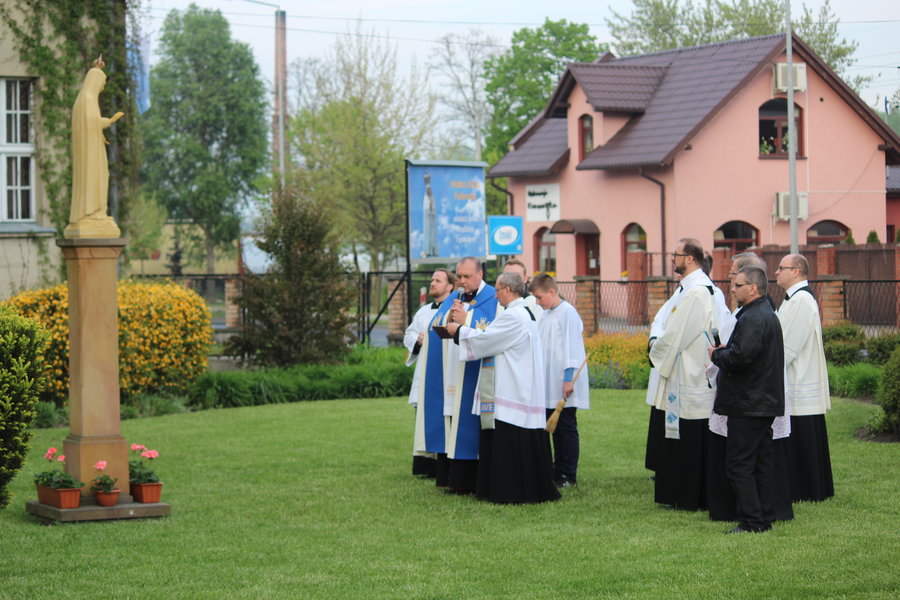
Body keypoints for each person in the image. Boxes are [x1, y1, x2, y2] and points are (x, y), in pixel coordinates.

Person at [445, 272, 559, 504]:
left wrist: (459, 330)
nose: (495, 296)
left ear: (507, 289)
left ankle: (507, 490)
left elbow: (487, 340)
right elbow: (492, 337)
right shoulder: (523, 313)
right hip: (521, 384)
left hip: (512, 388)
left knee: (509, 439)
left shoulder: (514, 316)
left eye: (497, 290)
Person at [706, 254, 793, 523]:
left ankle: (752, 520)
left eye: (738, 285)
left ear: (753, 288)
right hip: (761, 401)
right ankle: (765, 514)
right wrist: (729, 351)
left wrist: (716, 355)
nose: (732, 289)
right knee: (761, 463)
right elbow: (747, 353)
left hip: (749, 403)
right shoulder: (764, 312)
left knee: (739, 465)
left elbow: (741, 358)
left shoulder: (754, 317)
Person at [648, 238, 727, 510]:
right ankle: (677, 493)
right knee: (679, 436)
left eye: (677, 254)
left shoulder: (698, 292)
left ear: (691, 258)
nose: (673, 259)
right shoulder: (687, 289)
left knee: (691, 436)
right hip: (683, 370)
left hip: (690, 373)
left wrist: (654, 349)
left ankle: (689, 496)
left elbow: (677, 333)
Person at [428, 257, 498, 492]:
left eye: (467, 276)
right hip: (455, 368)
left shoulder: (492, 297)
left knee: (471, 422)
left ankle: (477, 479)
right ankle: (457, 480)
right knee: (456, 421)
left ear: (480, 274)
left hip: (477, 369)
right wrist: (448, 318)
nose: (462, 281)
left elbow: (494, 330)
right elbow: (436, 323)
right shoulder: (456, 295)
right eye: (459, 276)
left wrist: (465, 320)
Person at [776, 253, 834, 502]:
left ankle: (809, 489)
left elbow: (789, 345)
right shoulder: (793, 299)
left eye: (781, 267)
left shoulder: (801, 301)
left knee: (804, 436)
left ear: (797, 271)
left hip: (800, 379)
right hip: (793, 377)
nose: (776, 272)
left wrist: (769, 366)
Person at [530, 273, 589, 488]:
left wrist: (568, 379)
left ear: (551, 292)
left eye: (539, 297)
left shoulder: (568, 313)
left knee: (566, 427)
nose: (537, 302)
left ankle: (568, 474)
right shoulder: (544, 315)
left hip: (563, 380)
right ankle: (556, 470)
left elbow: (572, 347)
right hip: (548, 380)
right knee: (553, 427)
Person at [404, 269, 456, 478]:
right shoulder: (424, 311)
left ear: (450, 286)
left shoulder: (454, 310)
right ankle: (426, 463)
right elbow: (409, 333)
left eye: (438, 280)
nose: (432, 283)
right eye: (432, 280)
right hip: (425, 372)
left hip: (445, 374)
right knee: (424, 418)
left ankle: (444, 464)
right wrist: (417, 340)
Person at [66, 55, 123, 239]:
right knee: (98, 177)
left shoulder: (81, 101)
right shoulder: (89, 101)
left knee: (97, 177)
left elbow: (90, 125)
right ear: (95, 81)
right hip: (92, 155)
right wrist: (111, 120)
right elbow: (94, 123)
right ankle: (93, 212)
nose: (103, 87)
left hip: (89, 150)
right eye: (102, 82)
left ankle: (93, 213)